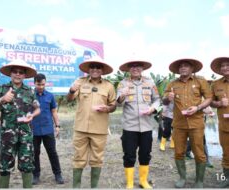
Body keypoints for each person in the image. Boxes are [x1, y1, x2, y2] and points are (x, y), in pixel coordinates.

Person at [0, 59, 40, 188]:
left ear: (24, 75)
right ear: (10, 73)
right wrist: (2, 99)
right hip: (7, 136)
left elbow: (37, 108)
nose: (18, 74)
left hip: (26, 135)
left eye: (21, 72)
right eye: (15, 72)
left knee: (27, 166)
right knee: (5, 166)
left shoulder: (30, 91)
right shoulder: (1, 89)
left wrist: (32, 115)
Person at [67, 56, 116, 188]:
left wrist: (108, 108)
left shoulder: (109, 86)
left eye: (98, 67)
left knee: (97, 159)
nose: (95, 69)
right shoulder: (80, 82)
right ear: (89, 69)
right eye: (92, 67)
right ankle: (76, 187)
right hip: (81, 128)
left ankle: (94, 187)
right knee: (78, 158)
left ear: (102, 70)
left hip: (99, 129)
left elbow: (113, 105)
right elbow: (70, 99)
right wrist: (71, 90)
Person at [163, 58, 212, 188]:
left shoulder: (200, 81)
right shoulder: (172, 83)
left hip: (196, 123)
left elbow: (209, 97)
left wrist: (198, 108)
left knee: (199, 153)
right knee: (179, 152)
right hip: (179, 124)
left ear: (192, 68)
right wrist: (168, 98)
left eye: (186, 66)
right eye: (180, 66)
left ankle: (199, 181)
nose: (183, 68)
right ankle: (182, 178)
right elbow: (164, 101)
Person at [117, 60, 160, 189]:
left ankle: (143, 181)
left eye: (138, 66)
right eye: (132, 66)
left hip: (146, 126)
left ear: (142, 68)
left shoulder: (150, 83)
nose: (135, 68)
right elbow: (118, 103)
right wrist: (122, 96)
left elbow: (157, 100)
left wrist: (153, 108)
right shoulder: (123, 83)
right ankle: (130, 183)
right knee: (129, 155)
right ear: (129, 69)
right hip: (130, 126)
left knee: (145, 154)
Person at [31, 73, 64, 185]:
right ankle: (35, 175)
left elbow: (54, 112)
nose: (41, 86)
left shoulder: (50, 96)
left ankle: (58, 174)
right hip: (33, 130)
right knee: (35, 153)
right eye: (38, 84)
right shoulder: (30, 96)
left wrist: (57, 126)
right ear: (34, 83)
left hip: (48, 130)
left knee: (52, 153)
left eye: (43, 84)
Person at [210, 57, 229, 188]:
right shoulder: (215, 84)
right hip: (225, 125)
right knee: (226, 152)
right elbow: (210, 102)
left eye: (228, 65)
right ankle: (226, 177)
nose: (225, 68)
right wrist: (220, 103)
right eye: (222, 66)